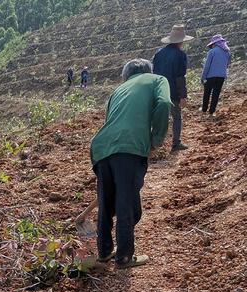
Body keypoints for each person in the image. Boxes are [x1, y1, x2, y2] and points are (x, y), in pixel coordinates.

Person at [90, 59, 171, 268]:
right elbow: (163, 103)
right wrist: (157, 139)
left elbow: (109, 120)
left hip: (101, 147)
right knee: (126, 202)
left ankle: (104, 252)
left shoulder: (117, 90)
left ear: (126, 75)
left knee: (106, 203)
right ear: (148, 70)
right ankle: (124, 257)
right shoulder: (157, 79)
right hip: (129, 147)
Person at [152, 24, 194, 152]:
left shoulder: (158, 54)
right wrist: (183, 96)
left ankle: (154, 144)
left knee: (158, 117)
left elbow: (154, 73)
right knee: (176, 117)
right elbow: (180, 77)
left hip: (159, 90)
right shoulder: (180, 55)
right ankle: (176, 144)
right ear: (180, 41)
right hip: (173, 91)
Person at [201, 34, 231, 117]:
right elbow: (227, 64)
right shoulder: (227, 52)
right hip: (221, 76)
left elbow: (207, 66)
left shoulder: (212, 52)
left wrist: (203, 77)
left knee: (207, 93)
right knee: (216, 94)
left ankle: (204, 110)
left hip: (210, 76)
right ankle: (211, 112)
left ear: (215, 44)